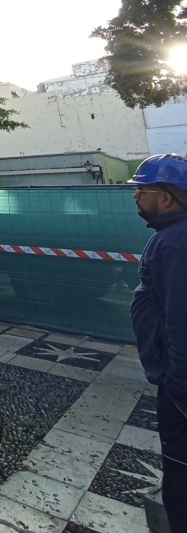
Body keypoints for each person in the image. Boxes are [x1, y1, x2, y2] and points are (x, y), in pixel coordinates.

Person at [129, 153, 187, 533]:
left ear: (165, 197)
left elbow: (181, 322)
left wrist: (179, 390)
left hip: (179, 389)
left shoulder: (173, 245)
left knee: (181, 479)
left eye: (142, 190)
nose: (136, 197)